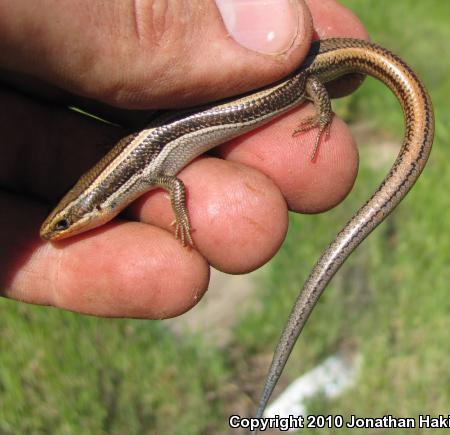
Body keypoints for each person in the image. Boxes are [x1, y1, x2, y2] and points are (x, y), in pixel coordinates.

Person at [0, 0, 367, 317]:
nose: (60, 231)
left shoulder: (141, 174)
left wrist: (322, 114)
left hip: (297, 74)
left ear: (92, 207)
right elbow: (171, 181)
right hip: (269, 87)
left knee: (303, 82)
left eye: (64, 223)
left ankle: (318, 107)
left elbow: (174, 184)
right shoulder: (136, 173)